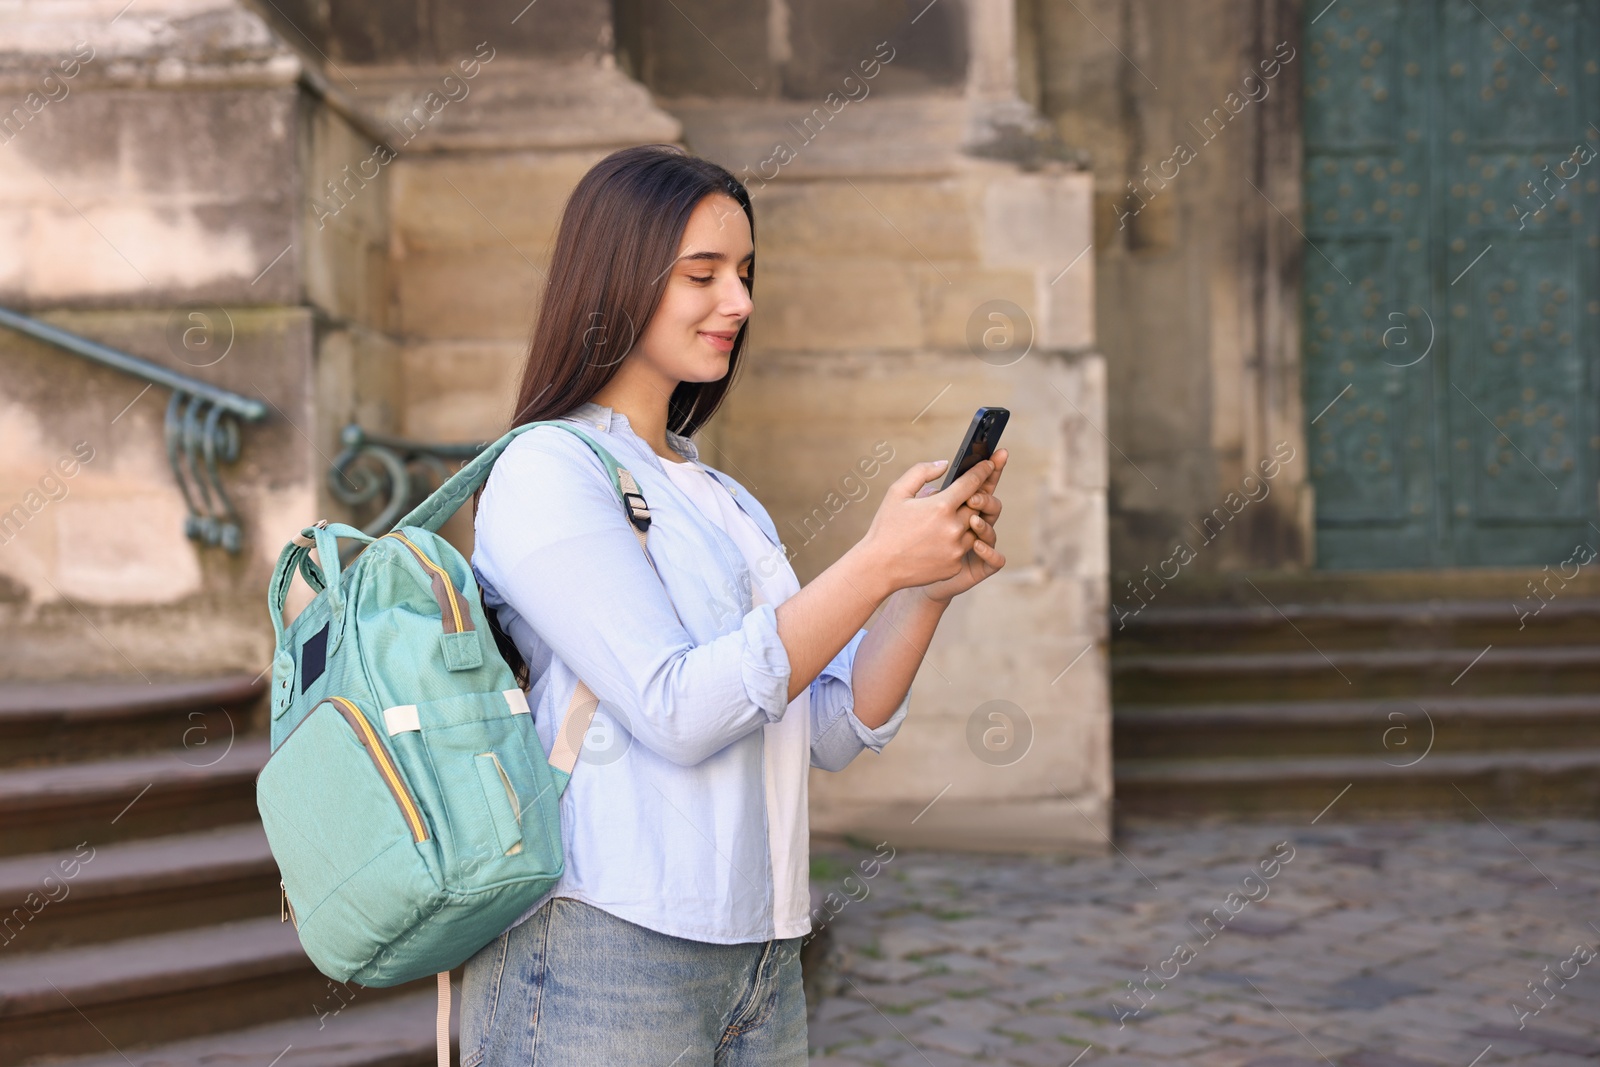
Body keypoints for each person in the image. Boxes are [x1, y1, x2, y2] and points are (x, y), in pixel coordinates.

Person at [462, 143, 1009, 1066]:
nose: (741, 302)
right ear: (615, 277)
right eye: (703, 274)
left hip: (760, 946)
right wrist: (874, 565)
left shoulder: (719, 494)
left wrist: (919, 589)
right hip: (607, 941)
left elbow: (829, 725)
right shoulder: (545, 468)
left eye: (746, 273)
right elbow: (675, 707)